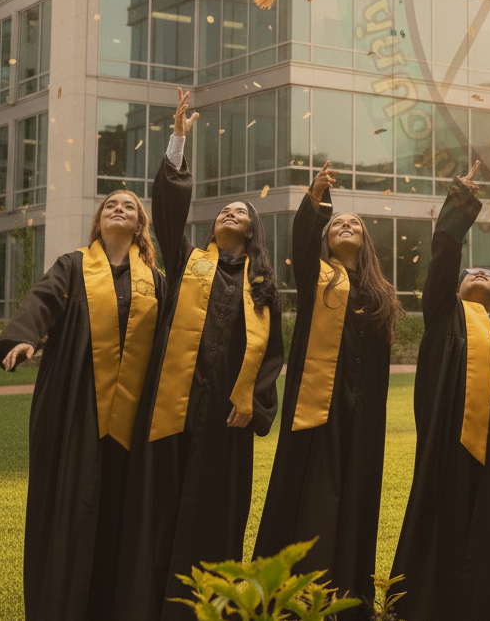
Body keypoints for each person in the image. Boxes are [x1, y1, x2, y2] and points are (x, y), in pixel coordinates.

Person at [113, 89, 284, 621]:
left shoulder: (263, 287)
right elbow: (166, 210)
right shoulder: (188, 262)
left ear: (252, 231)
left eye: (242, 212)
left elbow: (274, 353)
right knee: (161, 505)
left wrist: (254, 403)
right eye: (225, 210)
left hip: (226, 418)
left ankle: (205, 608)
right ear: (212, 227)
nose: (232, 213)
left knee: (213, 514)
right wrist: (178, 141)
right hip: (174, 407)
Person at [0, 189, 165, 621]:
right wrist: (24, 337)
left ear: (140, 225)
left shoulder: (156, 280)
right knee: (74, 503)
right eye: (110, 205)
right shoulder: (73, 266)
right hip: (77, 405)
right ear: (98, 221)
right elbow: (43, 299)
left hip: (135, 414)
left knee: (124, 508)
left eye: (128, 206)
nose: (118, 209)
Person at [253, 160, 402, 620]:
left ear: (366, 243)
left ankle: (347, 597)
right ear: (325, 237)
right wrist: (316, 199)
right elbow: (303, 235)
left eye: (354, 223)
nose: (346, 225)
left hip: (364, 417)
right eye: (337, 222)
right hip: (316, 409)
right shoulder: (316, 278)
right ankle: (294, 597)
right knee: (312, 495)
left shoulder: (380, 294)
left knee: (356, 500)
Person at [390, 161, 490, 621]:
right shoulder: (444, 316)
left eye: (488, 274)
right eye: (469, 272)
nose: (478, 273)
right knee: (440, 535)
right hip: (448, 447)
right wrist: (460, 202)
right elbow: (445, 252)